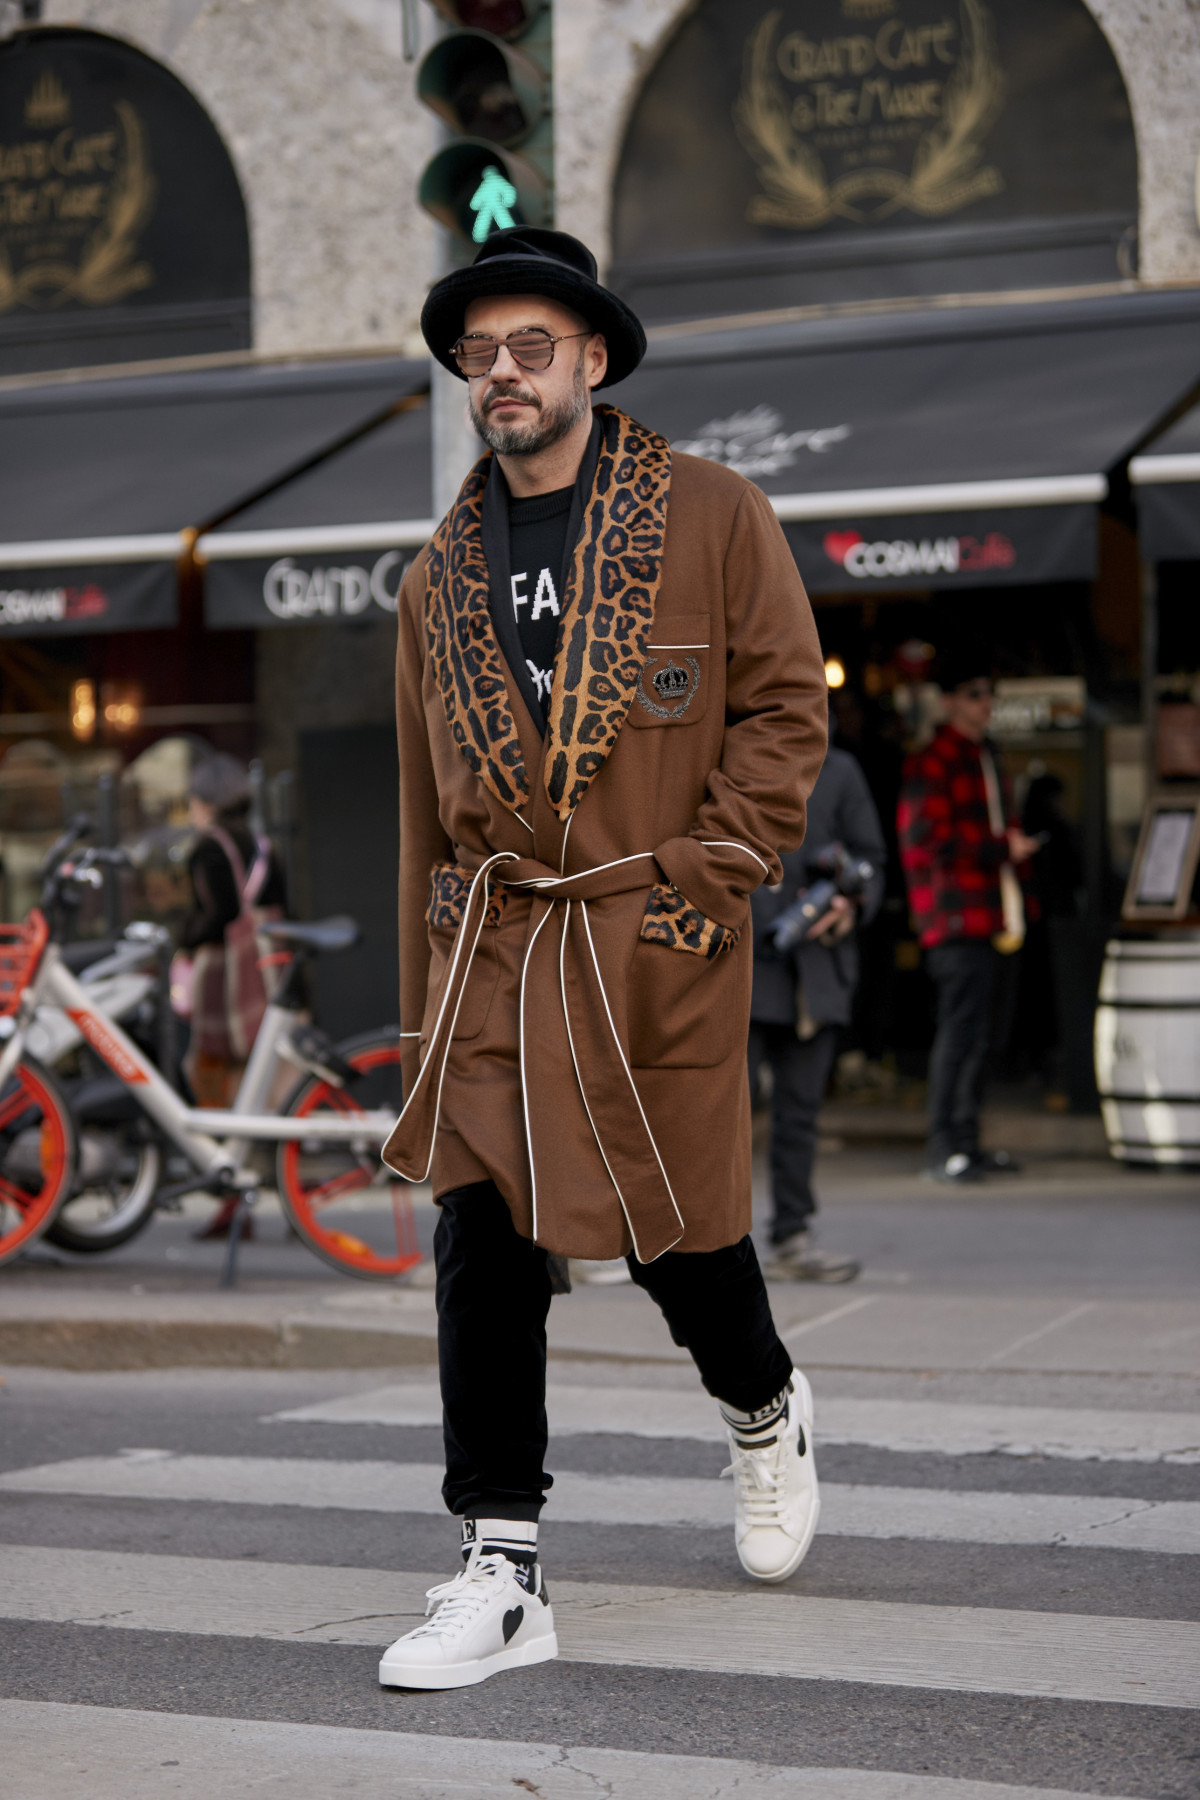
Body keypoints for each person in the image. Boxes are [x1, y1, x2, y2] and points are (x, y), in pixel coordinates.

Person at [377, 227, 828, 1691]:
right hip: (498, 951)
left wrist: (715, 876)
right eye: (478, 353)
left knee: (678, 1239)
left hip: (653, 939)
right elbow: (421, 814)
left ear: (592, 361)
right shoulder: (434, 578)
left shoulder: (712, 515)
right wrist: (423, 1010)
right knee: (483, 1242)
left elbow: (784, 712)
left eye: (530, 347)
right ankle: (502, 1565)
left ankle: (763, 1409)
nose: (500, 373)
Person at [749, 721, 886, 1280]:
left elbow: (870, 860)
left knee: (800, 1112)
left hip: (813, 967)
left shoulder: (839, 769)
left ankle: (792, 1234)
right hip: (739, 960)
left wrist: (850, 903)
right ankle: (703, 1243)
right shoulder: (728, 748)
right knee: (719, 1112)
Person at [897, 651, 1039, 1184]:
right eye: (976, 693)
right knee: (959, 1034)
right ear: (951, 701)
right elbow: (924, 842)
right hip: (955, 918)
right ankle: (944, 1147)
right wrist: (1001, 848)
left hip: (997, 913)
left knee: (984, 1037)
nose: (987, 703)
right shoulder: (932, 760)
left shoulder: (987, 754)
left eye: (989, 693)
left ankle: (968, 1143)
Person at [178, 753, 286, 1238]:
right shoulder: (263, 845)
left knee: (211, 1079)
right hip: (269, 976)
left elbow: (217, 915)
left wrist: (182, 937)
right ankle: (297, 1192)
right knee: (269, 1086)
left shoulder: (208, 848)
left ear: (206, 802)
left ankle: (230, 1197)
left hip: (225, 983)